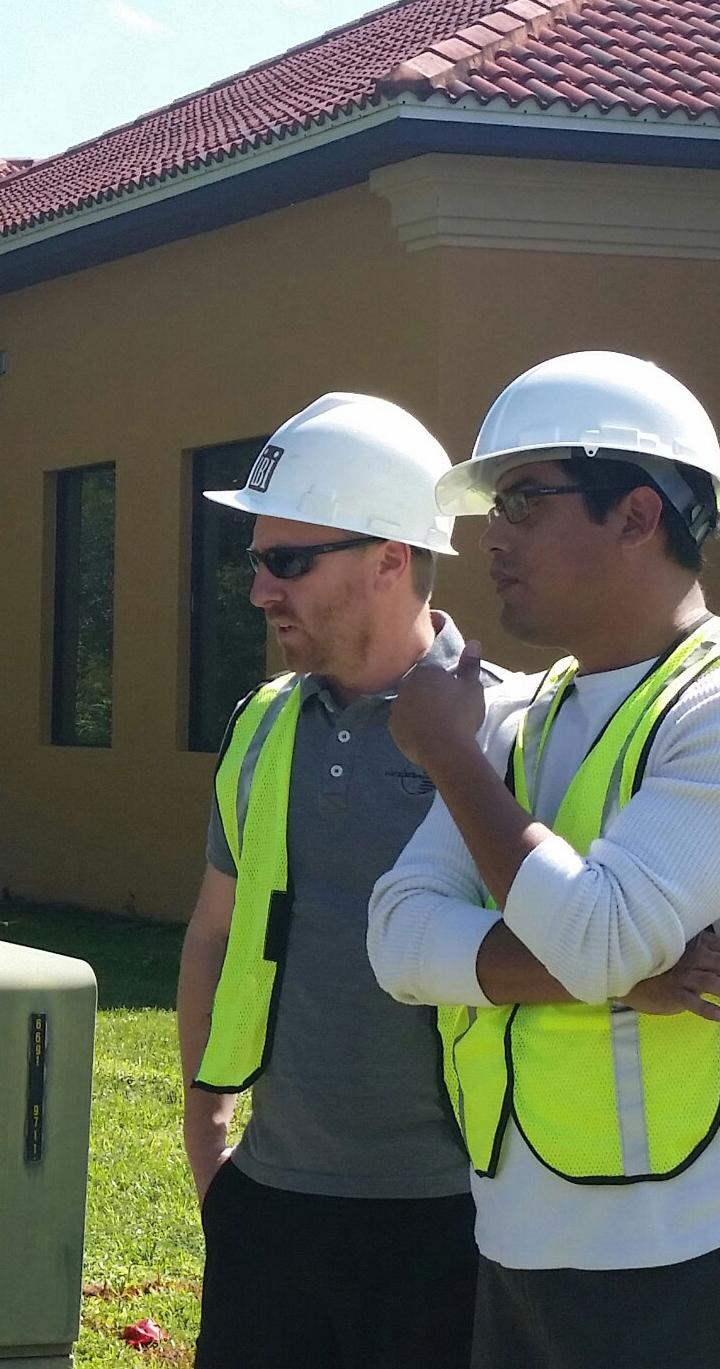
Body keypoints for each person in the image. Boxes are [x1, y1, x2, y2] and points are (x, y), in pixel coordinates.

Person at [368, 351, 720, 1369]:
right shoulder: (526, 715)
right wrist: (629, 978)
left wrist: (450, 757)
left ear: (637, 516)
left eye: (523, 501)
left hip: (698, 1261)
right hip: (518, 1256)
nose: (491, 536)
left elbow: (597, 938)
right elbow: (398, 942)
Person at [176, 393, 488, 1369]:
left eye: (288, 562)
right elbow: (215, 932)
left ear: (389, 559)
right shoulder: (262, 725)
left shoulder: (506, 731)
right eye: (257, 561)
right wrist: (207, 1146)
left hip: (460, 1226)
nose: (259, 591)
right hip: (268, 1213)